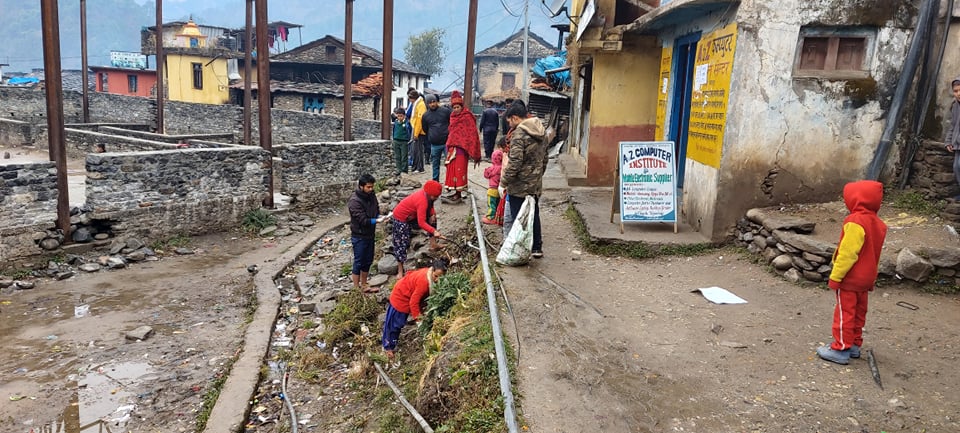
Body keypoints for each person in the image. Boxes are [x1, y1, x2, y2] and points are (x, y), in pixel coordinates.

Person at [816, 180, 888, 365]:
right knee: (858, 312)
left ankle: (840, 348)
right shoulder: (878, 224)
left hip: (851, 277)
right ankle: (854, 345)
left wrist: (836, 276)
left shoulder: (855, 222)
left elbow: (848, 253)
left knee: (844, 312)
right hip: (867, 277)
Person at [501, 101, 547, 258]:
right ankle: (536, 247)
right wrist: (538, 175)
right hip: (535, 182)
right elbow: (545, 158)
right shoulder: (541, 131)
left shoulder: (519, 134)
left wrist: (503, 182)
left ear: (514, 117)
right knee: (534, 213)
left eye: (509, 121)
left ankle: (520, 250)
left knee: (518, 217)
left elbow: (515, 162)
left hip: (519, 184)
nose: (509, 124)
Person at [381, 258, 448, 359]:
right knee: (394, 325)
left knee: (394, 324)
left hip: (404, 290)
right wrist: (419, 320)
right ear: (432, 271)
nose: (437, 279)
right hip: (401, 297)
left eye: (441, 277)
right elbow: (413, 303)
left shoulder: (428, 274)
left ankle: (391, 344)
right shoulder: (424, 282)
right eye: (436, 276)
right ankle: (388, 348)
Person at [391, 180, 445, 278]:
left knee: (433, 219)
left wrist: (432, 214)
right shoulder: (422, 201)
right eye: (435, 197)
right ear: (429, 194)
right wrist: (434, 231)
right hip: (401, 218)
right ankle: (400, 270)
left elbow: (431, 205)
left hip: (412, 216)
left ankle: (433, 245)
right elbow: (421, 222)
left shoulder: (428, 197)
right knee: (401, 243)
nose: (436, 198)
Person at [347, 174, 385, 293]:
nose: (371, 189)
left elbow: (376, 209)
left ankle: (364, 284)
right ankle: (356, 287)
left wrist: (380, 216)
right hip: (359, 235)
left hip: (370, 234)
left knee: (368, 260)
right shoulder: (354, 201)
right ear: (361, 186)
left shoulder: (371, 196)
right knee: (359, 260)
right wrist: (376, 220)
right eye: (368, 187)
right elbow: (362, 220)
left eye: (372, 187)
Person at [442, 90, 482, 204]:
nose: (456, 109)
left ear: (461, 106)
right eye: (454, 107)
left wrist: (472, 149)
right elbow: (452, 131)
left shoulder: (467, 116)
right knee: (452, 170)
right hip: (452, 148)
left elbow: (472, 134)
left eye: (458, 107)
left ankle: (458, 193)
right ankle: (455, 192)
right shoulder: (452, 117)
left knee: (459, 171)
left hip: (461, 150)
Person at [420, 93, 452, 182]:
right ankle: (435, 182)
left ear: (437, 102)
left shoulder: (445, 111)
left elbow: (452, 123)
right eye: (430, 102)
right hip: (434, 144)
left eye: (434, 102)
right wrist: (432, 135)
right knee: (435, 164)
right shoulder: (425, 116)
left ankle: (449, 182)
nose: (432, 104)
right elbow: (425, 129)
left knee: (450, 164)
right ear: (427, 104)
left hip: (447, 143)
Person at [944, 76, 960, 200]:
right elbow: (953, 125)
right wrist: (949, 141)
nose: (958, 93)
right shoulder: (955, 106)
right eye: (955, 91)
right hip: (958, 145)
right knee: (956, 168)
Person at [482, 143, 504, 225]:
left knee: (491, 205)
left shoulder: (491, 169)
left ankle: (490, 217)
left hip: (492, 190)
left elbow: (486, 175)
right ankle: (498, 217)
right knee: (498, 204)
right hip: (500, 189)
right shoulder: (502, 168)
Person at [407, 88, 427, 173]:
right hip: (415, 128)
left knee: (418, 150)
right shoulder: (417, 104)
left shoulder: (421, 105)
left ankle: (419, 167)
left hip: (418, 130)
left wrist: (416, 133)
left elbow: (420, 119)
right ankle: (415, 166)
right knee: (415, 149)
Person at [392, 106, 412, 175]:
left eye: (401, 116)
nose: (399, 117)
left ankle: (404, 170)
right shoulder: (396, 122)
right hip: (396, 141)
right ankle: (398, 169)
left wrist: (408, 139)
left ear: (404, 116)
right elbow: (394, 130)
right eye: (398, 116)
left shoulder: (406, 123)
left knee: (404, 156)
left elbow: (409, 130)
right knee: (397, 156)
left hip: (404, 141)